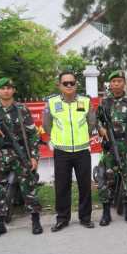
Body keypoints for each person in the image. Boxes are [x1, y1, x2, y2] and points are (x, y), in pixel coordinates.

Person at [0, 77, 43, 238]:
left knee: (29, 187)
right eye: (3, 88)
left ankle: (35, 221)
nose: (6, 90)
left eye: (9, 88)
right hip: (0, 154)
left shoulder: (22, 109)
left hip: (21, 153)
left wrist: (34, 157)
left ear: (13, 90)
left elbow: (33, 135)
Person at [43, 71, 97, 232]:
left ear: (76, 84)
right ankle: (62, 218)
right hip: (62, 152)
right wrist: (56, 140)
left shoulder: (85, 102)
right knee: (62, 186)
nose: (68, 86)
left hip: (82, 151)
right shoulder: (52, 103)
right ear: (59, 85)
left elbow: (91, 123)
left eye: (71, 83)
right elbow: (47, 125)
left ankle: (85, 217)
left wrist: (83, 137)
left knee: (85, 186)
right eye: (65, 83)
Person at [96, 70, 127, 226]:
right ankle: (105, 214)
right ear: (110, 84)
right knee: (106, 180)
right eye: (113, 81)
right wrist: (100, 129)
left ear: (124, 83)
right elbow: (96, 120)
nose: (116, 84)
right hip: (110, 146)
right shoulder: (105, 102)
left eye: (119, 81)